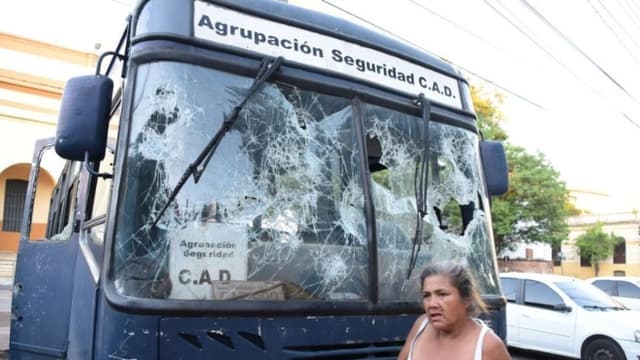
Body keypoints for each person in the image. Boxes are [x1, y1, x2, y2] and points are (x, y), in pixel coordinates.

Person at [397, 262, 511, 360]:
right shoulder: (421, 326)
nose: (432, 304)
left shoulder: (488, 345)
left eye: (442, 294)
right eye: (426, 295)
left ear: (466, 299)